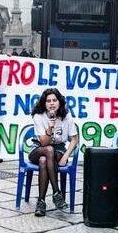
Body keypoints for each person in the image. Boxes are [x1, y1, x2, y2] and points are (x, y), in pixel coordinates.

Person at [29, 88, 78, 217]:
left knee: (44, 160)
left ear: (59, 102)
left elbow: (74, 139)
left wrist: (66, 156)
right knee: (47, 151)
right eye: (48, 101)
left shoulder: (66, 116)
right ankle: (57, 192)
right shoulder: (39, 116)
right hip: (39, 147)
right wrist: (50, 127)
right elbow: (44, 143)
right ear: (44, 104)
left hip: (59, 149)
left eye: (54, 100)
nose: (51, 103)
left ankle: (41, 202)